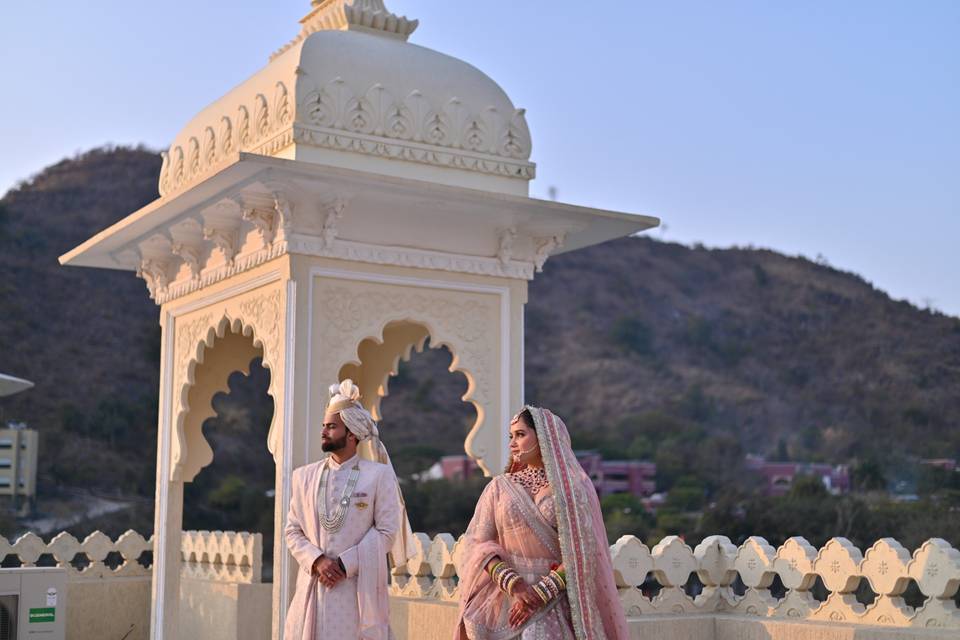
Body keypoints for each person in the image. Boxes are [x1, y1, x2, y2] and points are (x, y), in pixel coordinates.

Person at [454, 406, 630, 640]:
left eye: (521, 434)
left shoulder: (574, 488)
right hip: (505, 595)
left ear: (546, 437)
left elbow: (585, 551)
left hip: (554, 597)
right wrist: (514, 585)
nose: (512, 444)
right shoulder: (499, 488)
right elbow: (478, 543)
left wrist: (541, 593)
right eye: (511, 436)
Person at [284, 379, 415, 640]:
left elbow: (387, 530)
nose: (324, 431)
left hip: (356, 592)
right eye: (324, 426)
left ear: (352, 434)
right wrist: (318, 561)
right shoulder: (303, 477)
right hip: (313, 589)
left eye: (332, 427)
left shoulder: (377, 476)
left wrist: (346, 564)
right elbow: (293, 530)